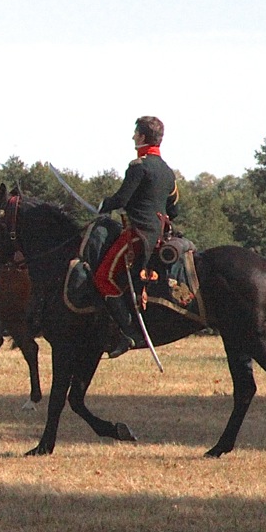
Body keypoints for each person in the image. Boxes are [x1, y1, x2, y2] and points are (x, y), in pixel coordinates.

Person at [94, 115, 180, 358]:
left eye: (135, 133)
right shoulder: (168, 172)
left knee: (103, 277)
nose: (133, 137)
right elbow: (174, 209)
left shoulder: (138, 166)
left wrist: (103, 204)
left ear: (142, 136)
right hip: (161, 235)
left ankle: (129, 332)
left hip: (139, 235)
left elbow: (121, 200)